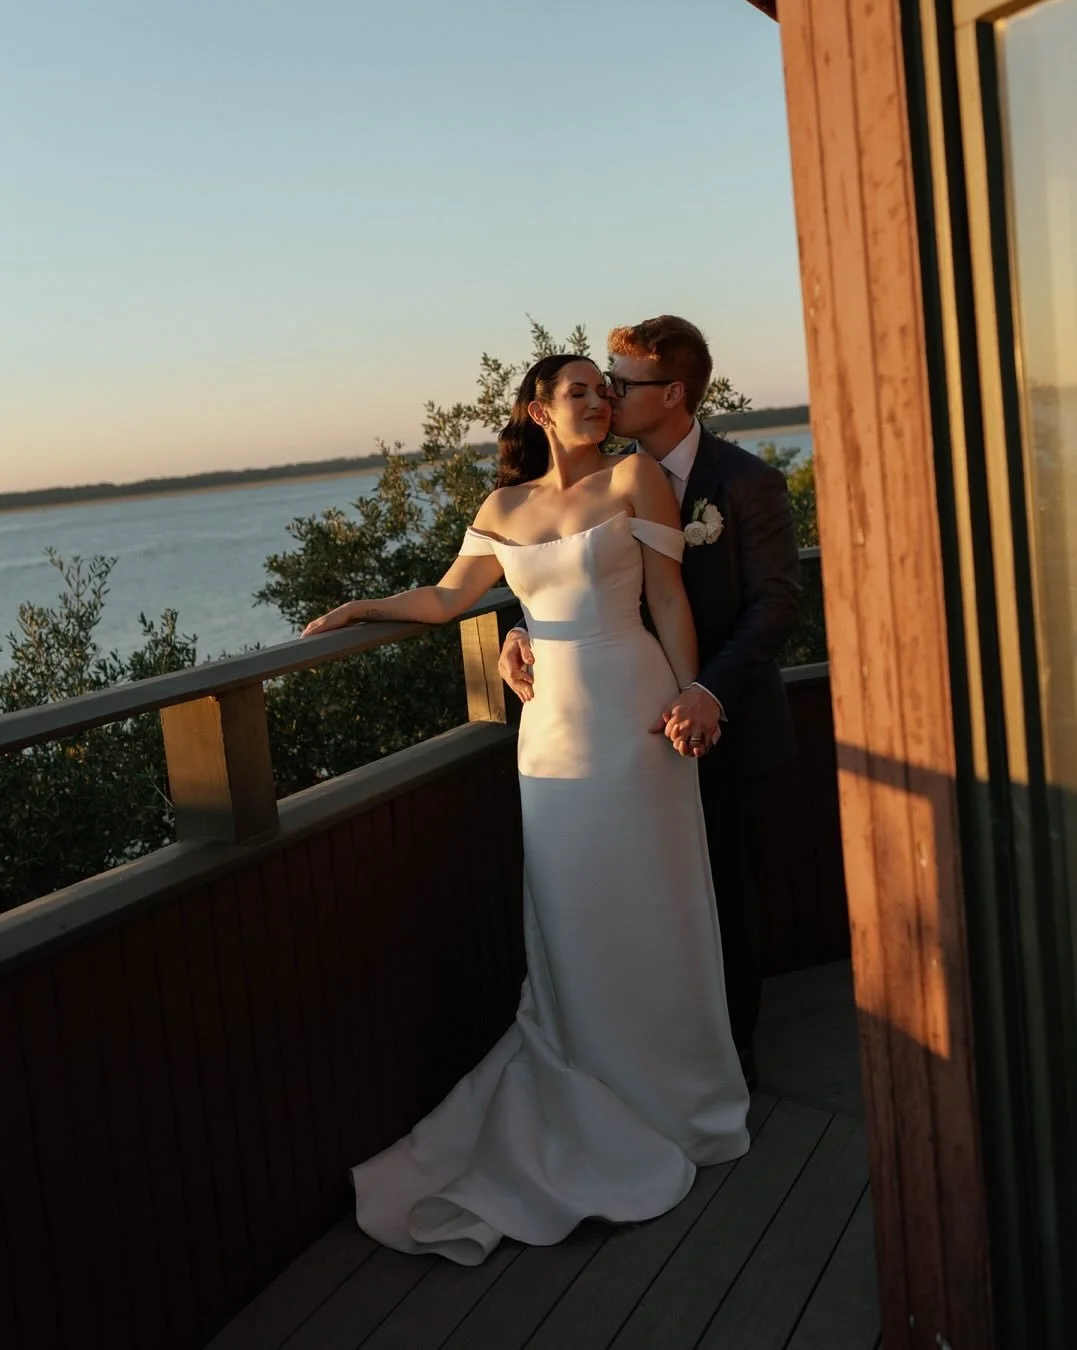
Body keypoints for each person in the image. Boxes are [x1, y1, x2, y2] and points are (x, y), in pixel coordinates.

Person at [302, 352, 749, 1265]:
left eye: (604, 389)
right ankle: (587, 1075)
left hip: (635, 718)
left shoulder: (636, 481)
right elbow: (449, 596)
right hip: (547, 736)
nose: (598, 400)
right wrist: (362, 606)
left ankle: (681, 1098)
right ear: (538, 411)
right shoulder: (501, 510)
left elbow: (667, 600)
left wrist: (692, 691)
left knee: (657, 905)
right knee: (573, 912)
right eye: (578, 390)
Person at [499, 317, 802, 1090]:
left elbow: (775, 607)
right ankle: (635, 1065)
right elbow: (559, 561)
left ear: (671, 394)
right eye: (598, 383)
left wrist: (705, 692)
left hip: (725, 722)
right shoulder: (610, 479)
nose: (606, 393)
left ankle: (728, 1073)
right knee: (638, 903)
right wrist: (515, 630)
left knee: (723, 903)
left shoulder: (745, 482)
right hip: (624, 733)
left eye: (620, 384)